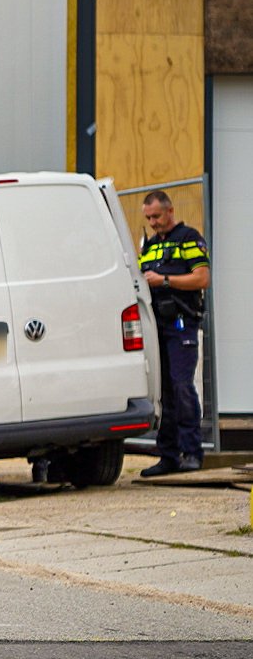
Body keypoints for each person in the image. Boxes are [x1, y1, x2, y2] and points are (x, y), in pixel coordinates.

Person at [138, 190, 211, 477]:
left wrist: (164, 279)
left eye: (156, 216)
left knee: (182, 387)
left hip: (182, 324)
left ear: (169, 211)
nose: (153, 222)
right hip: (156, 326)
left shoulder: (189, 238)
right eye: (148, 218)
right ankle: (167, 456)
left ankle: (192, 452)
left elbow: (202, 278)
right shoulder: (151, 246)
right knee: (164, 393)